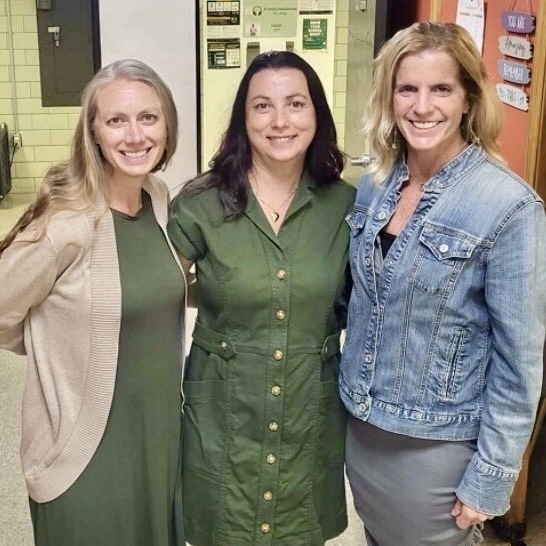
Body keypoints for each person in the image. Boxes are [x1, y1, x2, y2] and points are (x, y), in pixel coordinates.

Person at [340, 21, 546, 546]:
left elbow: (519, 359)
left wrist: (493, 473)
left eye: (441, 89)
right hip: (364, 430)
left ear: (469, 100)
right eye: (407, 89)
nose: (422, 106)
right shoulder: (376, 185)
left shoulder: (509, 207)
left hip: (437, 447)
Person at [168, 50, 355, 545]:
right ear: (241, 118)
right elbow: (150, 289)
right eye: (261, 106)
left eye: (295, 104)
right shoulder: (198, 205)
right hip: (225, 415)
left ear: (317, 113)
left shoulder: (346, 206)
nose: (279, 121)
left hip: (306, 416)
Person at [0, 59, 187, 546]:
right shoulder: (67, 220)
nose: (134, 135)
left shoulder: (159, 198)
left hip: (157, 438)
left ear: (167, 125)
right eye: (116, 120)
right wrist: (53, 342)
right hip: (83, 450)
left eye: (148, 118)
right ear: (94, 133)